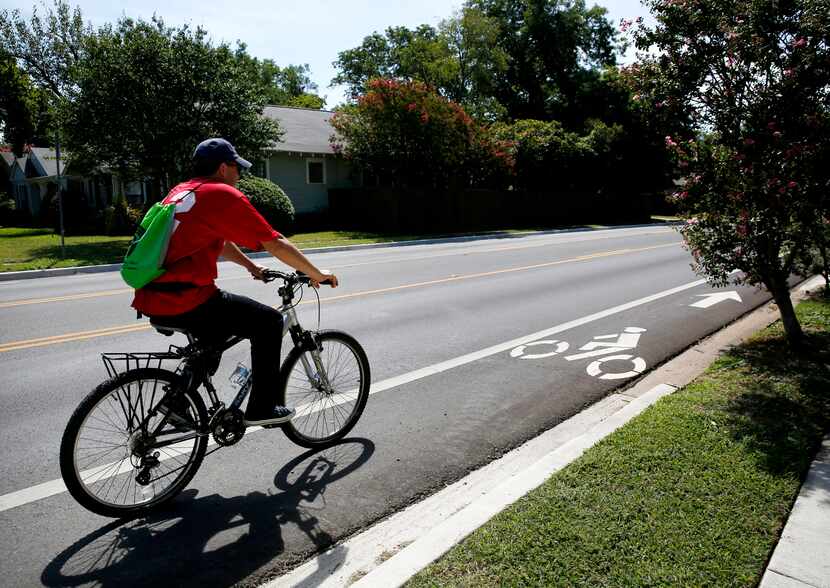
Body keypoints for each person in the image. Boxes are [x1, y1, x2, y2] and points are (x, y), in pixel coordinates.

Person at [132, 137, 338, 426]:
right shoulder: (221, 195)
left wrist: (251, 266)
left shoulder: (181, 192)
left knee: (213, 337)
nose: (239, 175)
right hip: (187, 297)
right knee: (268, 322)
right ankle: (262, 408)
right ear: (222, 168)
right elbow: (275, 243)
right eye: (235, 167)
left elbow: (219, 240)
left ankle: (178, 401)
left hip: (151, 296)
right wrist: (318, 274)